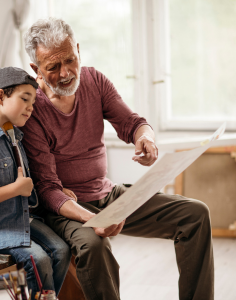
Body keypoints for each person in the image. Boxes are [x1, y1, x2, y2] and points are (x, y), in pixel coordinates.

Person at [20, 18, 214, 300]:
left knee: (195, 215)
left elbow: (133, 122)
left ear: (77, 49)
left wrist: (146, 139)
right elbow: (49, 191)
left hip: (107, 194)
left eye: (70, 60)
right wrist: (94, 219)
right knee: (94, 246)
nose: (65, 73)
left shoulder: (94, 80)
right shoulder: (33, 109)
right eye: (53, 67)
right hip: (67, 210)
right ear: (36, 70)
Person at [0, 66, 71, 299]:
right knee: (38, 259)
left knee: (61, 251)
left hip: (18, 217)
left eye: (33, 102)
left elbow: (28, 187)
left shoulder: (15, 137)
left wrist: (58, 191)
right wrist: (16, 189)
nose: (31, 107)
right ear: (0, 97)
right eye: (25, 99)